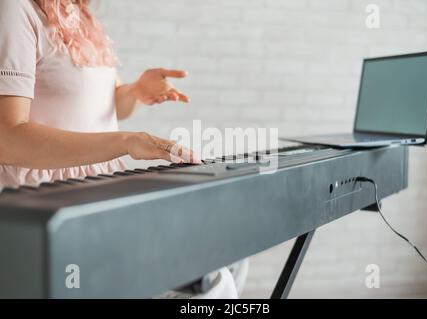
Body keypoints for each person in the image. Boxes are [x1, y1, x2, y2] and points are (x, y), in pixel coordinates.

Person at [0, 0, 246, 298]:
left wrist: (134, 91)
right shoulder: (15, 9)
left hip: (102, 192)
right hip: (47, 204)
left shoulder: (81, 16)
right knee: (212, 283)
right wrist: (127, 142)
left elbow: (107, 104)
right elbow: (7, 138)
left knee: (231, 257)